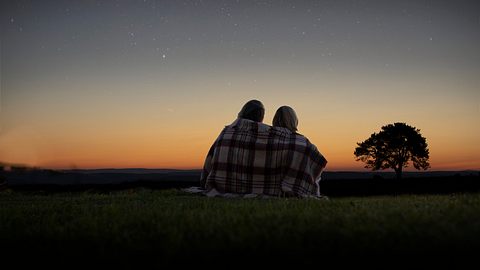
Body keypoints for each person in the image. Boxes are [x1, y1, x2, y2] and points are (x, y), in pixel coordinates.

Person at [200, 100, 327, 198]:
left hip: (225, 187)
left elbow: (209, 163)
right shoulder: (299, 142)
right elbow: (315, 159)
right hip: (279, 187)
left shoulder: (227, 133)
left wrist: (206, 181)